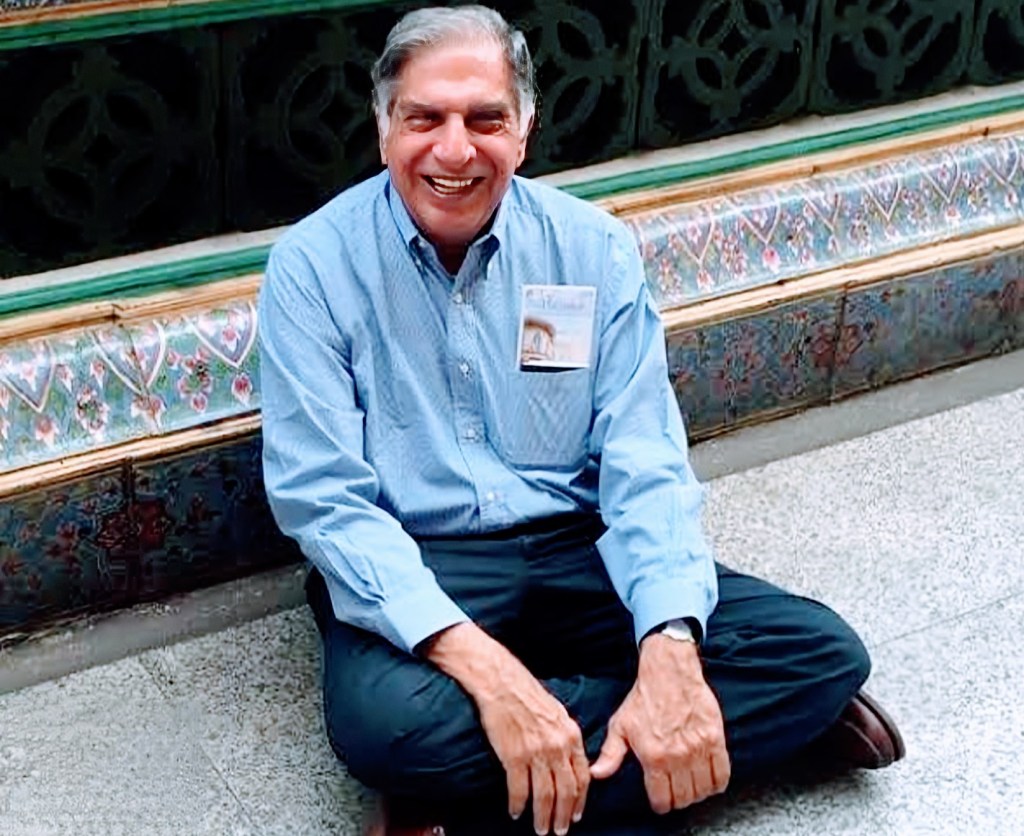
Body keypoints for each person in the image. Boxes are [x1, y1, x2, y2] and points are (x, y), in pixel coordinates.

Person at [258, 6, 905, 835]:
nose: (454, 150)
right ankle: (718, 741)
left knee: (820, 651)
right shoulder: (312, 268)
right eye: (425, 119)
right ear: (385, 130)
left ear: (523, 131)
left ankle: (477, 799)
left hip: (578, 547)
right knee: (389, 731)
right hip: (421, 558)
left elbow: (644, 455)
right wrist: (492, 677)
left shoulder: (592, 249)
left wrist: (669, 652)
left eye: (485, 119)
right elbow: (324, 501)